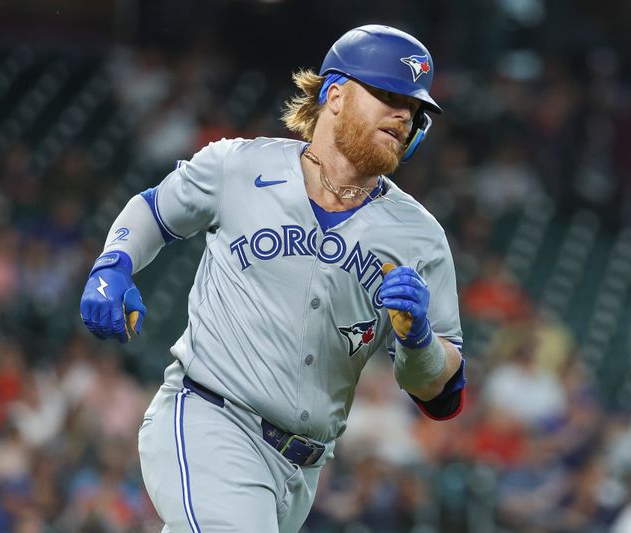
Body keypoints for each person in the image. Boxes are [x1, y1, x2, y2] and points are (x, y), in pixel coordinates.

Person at [80, 24, 466, 532]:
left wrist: (419, 342)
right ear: (334, 94)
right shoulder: (239, 166)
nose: (404, 114)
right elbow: (154, 210)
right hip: (211, 420)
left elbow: (443, 395)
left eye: (413, 108)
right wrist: (114, 262)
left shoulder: (420, 237)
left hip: (302, 471)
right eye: (389, 95)